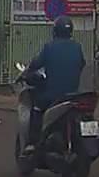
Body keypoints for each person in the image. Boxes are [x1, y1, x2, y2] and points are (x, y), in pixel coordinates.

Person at [22, 16, 86, 153]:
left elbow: (36, 64)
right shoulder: (77, 47)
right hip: (73, 95)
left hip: (52, 96)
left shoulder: (49, 47)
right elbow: (82, 64)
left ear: (55, 31)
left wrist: (27, 72)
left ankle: (32, 143)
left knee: (37, 108)